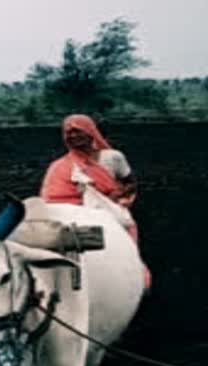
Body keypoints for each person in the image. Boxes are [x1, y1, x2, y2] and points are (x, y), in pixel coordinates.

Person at [40, 113, 151, 289]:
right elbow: (50, 198)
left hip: (109, 211)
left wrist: (115, 198)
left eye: (77, 131)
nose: (73, 136)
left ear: (90, 131)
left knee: (125, 245)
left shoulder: (112, 157)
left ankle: (134, 280)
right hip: (73, 214)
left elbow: (131, 183)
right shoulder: (59, 166)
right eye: (68, 132)